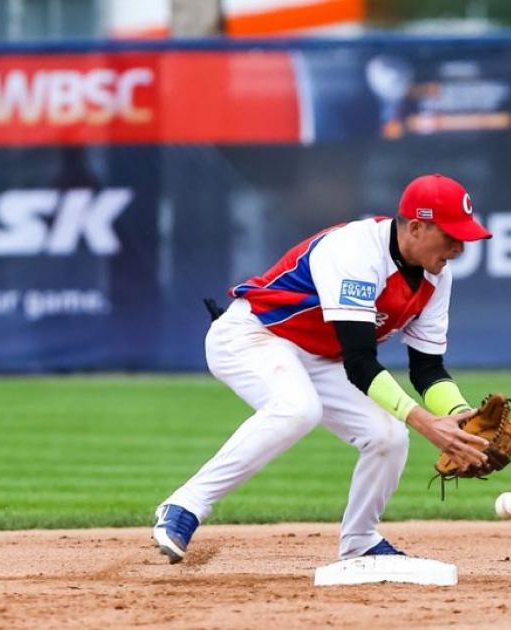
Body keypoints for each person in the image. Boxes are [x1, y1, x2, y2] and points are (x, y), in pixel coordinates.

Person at [154, 174, 493, 564]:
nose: (459, 246)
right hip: (253, 336)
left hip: (320, 356)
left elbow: (427, 368)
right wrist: (425, 421)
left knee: (388, 436)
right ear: (416, 227)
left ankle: (360, 540)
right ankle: (185, 506)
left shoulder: (437, 277)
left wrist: (459, 419)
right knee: (298, 409)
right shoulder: (356, 250)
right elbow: (360, 361)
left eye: (465, 236)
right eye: (451, 235)